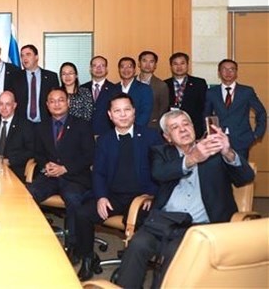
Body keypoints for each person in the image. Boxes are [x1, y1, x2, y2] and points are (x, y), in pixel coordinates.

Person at [116, 109, 255, 288]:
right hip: (163, 222)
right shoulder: (161, 152)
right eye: (175, 127)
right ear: (167, 137)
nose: (182, 129)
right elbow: (160, 173)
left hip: (200, 226)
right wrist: (192, 158)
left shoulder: (215, 150)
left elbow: (246, 177)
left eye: (186, 124)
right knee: (137, 244)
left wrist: (228, 152)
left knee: (175, 252)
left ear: (194, 127)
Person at [73, 94, 163, 281]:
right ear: (110, 115)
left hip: (142, 198)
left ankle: (132, 267)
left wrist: (152, 194)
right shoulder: (104, 140)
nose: (122, 115)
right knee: (82, 214)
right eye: (117, 111)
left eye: (127, 110)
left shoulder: (151, 137)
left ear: (134, 112)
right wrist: (101, 197)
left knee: (147, 224)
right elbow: (98, 173)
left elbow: (160, 170)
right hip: (113, 196)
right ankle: (88, 258)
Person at [27, 87, 94, 259]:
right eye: (52, 101)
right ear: (47, 105)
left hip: (74, 176)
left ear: (68, 102)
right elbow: (38, 153)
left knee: (73, 198)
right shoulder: (41, 127)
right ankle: (32, 237)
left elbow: (89, 155)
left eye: (61, 100)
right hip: (50, 176)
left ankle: (73, 245)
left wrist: (65, 168)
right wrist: (46, 165)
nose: (56, 104)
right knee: (28, 195)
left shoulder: (82, 125)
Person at [204, 59, 266, 160]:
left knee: (240, 173)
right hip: (218, 141)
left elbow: (261, 112)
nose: (228, 72)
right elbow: (206, 115)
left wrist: (256, 134)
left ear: (236, 72)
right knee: (219, 174)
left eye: (232, 69)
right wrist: (209, 135)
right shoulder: (211, 92)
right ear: (219, 72)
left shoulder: (247, 91)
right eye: (224, 69)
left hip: (242, 140)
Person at [0, 91, 34, 182]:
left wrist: (10, 161)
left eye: (8, 104)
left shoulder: (25, 125)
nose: (4, 108)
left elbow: (31, 151)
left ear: (14, 105)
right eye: (1, 104)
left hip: (14, 170)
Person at [164, 52, 208, 138]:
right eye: (175, 64)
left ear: (187, 65)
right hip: (171, 129)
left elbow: (204, 108)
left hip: (194, 128)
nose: (179, 67)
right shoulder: (164, 84)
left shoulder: (199, 83)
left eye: (182, 63)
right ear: (171, 66)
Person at [14, 44, 59, 123]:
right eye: (22, 56)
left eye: (28, 54)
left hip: (45, 124)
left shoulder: (51, 77)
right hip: (22, 125)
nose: (24, 58)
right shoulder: (15, 77)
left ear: (36, 57)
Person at [81, 56, 116, 136]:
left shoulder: (115, 89)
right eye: (95, 66)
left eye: (102, 65)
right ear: (90, 69)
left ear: (106, 69)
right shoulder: (82, 89)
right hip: (85, 134)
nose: (98, 68)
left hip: (107, 135)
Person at [115, 57, 153, 126]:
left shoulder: (144, 89)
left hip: (137, 130)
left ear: (134, 70)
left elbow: (145, 113)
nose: (126, 70)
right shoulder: (114, 88)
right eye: (122, 67)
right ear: (119, 70)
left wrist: (131, 129)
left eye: (129, 67)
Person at [137, 50, 169, 129]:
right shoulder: (131, 82)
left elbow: (163, 110)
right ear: (139, 63)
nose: (147, 64)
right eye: (144, 61)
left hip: (152, 127)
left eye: (151, 61)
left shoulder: (161, 85)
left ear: (155, 65)